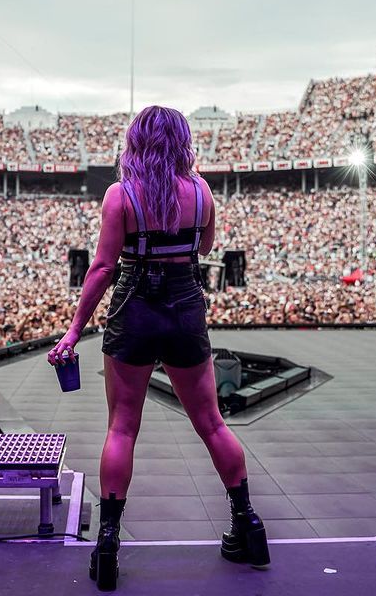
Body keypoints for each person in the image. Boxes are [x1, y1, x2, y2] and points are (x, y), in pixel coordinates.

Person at [49, 106, 270, 591]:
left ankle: (108, 542)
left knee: (122, 427)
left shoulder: (119, 195)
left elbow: (104, 268)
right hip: (185, 304)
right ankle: (249, 525)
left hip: (135, 307)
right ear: (182, 142)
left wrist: (72, 330)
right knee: (212, 423)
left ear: (137, 143)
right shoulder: (202, 192)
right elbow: (206, 248)